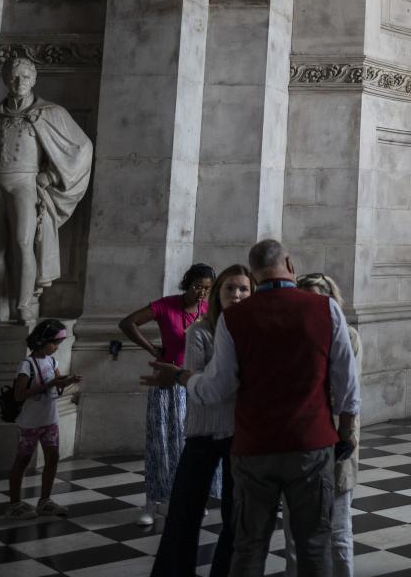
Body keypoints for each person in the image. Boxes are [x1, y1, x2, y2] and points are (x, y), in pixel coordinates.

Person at [142, 240, 360, 577]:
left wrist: (182, 376)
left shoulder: (235, 319)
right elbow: (347, 383)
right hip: (310, 443)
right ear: (289, 264)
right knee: (314, 544)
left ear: (255, 273)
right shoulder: (325, 309)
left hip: (253, 447)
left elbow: (217, 387)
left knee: (249, 545)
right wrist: (345, 434)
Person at [0, 56, 93, 323]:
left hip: (26, 181)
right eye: (13, 76)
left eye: (24, 76)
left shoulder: (49, 112)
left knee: (24, 242)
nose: (18, 82)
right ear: (4, 79)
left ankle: (24, 303)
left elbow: (82, 148)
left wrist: (49, 175)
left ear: (34, 79)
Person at [150, 263, 253, 577]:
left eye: (243, 288)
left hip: (240, 433)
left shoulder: (256, 331)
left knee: (236, 514)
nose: (236, 294)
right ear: (218, 294)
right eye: (230, 288)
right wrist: (192, 377)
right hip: (204, 430)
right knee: (184, 510)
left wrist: (195, 377)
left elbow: (209, 380)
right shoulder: (200, 330)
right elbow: (204, 387)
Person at [121, 262, 216, 526]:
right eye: (198, 286)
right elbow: (127, 323)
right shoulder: (166, 305)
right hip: (165, 384)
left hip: (194, 384)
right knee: (161, 442)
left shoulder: (209, 311)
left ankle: (191, 499)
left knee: (190, 444)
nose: (201, 294)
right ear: (187, 283)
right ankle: (153, 501)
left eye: (207, 289)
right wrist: (153, 349)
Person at [283, 272, 363, 577]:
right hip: (298, 440)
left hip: (336, 437)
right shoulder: (288, 338)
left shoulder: (348, 336)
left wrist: (346, 434)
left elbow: (348, 393)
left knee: (338, 527)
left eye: (319, 299)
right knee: (294, 530)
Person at [6, 318, 80, 519]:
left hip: (50, 420)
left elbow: (57, 384)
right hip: (30, 422)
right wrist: (49, 385)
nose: (56, 348)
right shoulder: (26, 365)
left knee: (52, 459)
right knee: (22, 461)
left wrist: (68, 381)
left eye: (58, 344)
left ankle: (45, 501)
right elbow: (19, 395)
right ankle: (14, 504)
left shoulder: (52, 361)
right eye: (54, 343)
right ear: (41, 340)